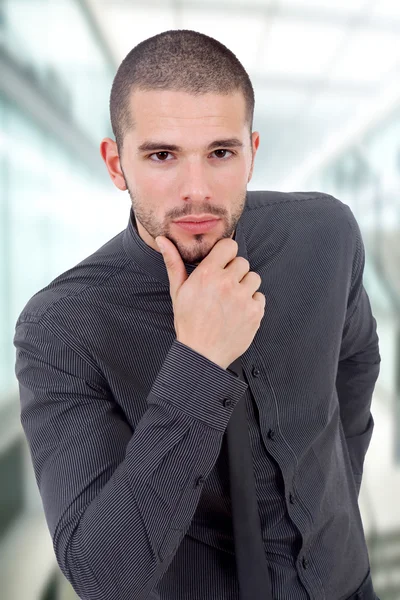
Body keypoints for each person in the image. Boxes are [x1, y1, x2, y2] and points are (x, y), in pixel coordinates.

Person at [13, 29, 381, 600]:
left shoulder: (325, 235)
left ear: (252, 151)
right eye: (162, 155)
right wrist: (198, 363)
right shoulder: (60, 328)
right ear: (116, 163)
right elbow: (104, 577)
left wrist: (333, 497)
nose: (197, 191)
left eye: (221, 153)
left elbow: (355, 364)